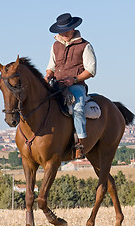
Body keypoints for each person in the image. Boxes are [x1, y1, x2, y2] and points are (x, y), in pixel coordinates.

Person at [44, 13, 97, 159]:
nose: (63, 33)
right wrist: (47, 76)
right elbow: (51, 66)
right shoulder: (55, 45)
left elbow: (91, 71)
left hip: (76, 85)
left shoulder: (85, 46)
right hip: (56, 84)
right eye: (61, 31)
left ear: (73, 29)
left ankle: (80, 143)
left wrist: (74, 79)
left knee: (78, 108)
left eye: (66, 30)